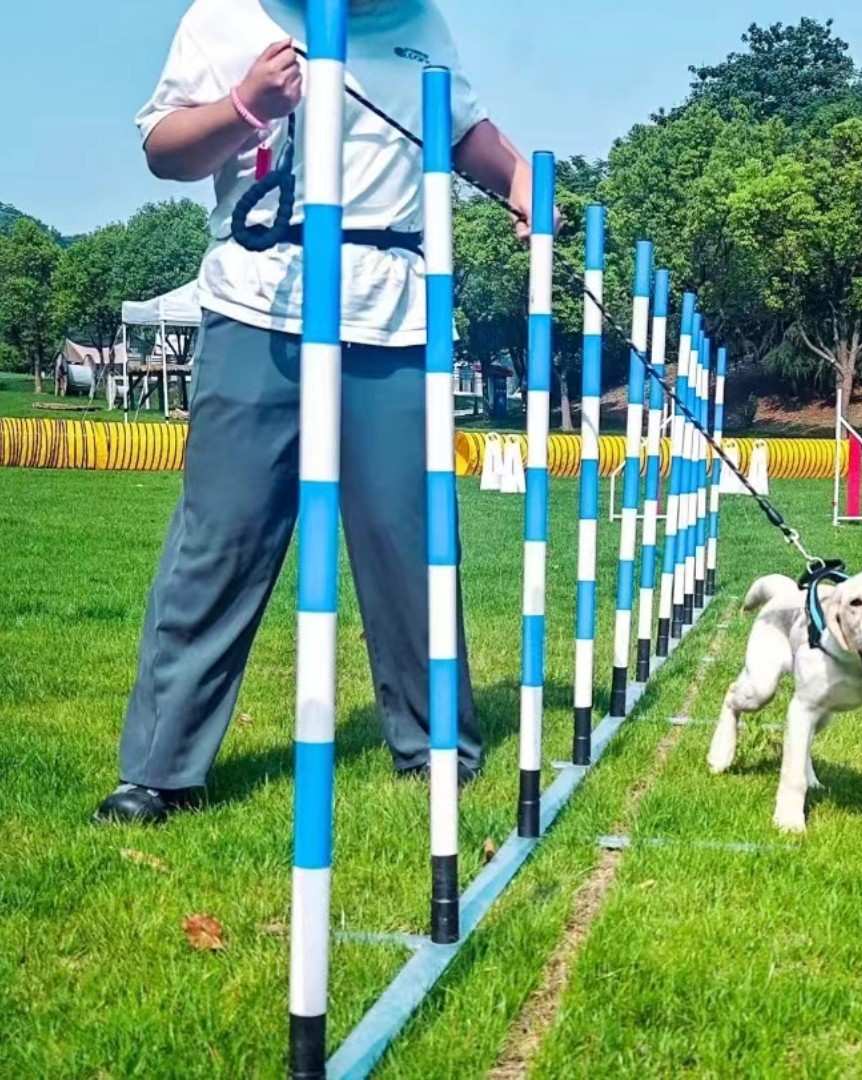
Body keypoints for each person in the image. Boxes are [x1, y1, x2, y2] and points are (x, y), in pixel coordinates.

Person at [96, 0, 535, 824]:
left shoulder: (421, 22)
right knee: (218, 539)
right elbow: (164, 151)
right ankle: (159, 770)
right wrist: (244, 106)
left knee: (409, 541)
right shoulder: (224, 14)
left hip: (394, 315)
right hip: (261, 301)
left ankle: (436, 747)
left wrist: (517, 183)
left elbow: (461, 125)